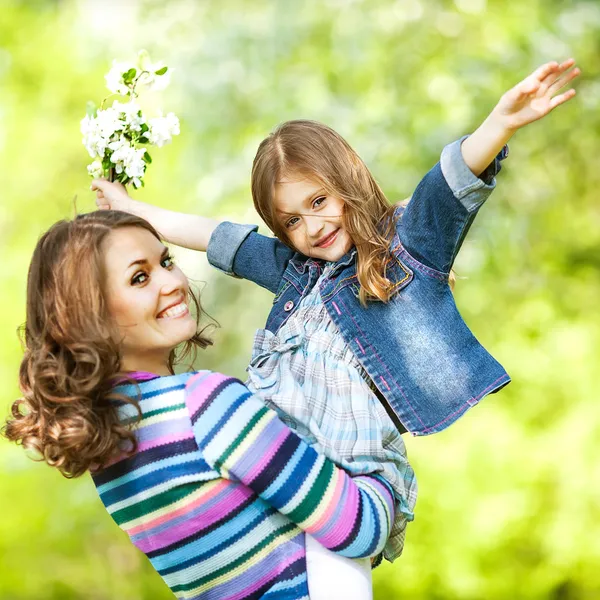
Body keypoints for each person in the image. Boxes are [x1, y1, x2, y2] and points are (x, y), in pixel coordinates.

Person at [91, 59, 580, 593]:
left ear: (346, 183)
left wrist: (500, 125)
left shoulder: (405, 251)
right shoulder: (296, 275)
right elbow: (219, 238)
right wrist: (131, 211)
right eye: (291, 221)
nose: (312, 227)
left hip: (352, 484)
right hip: (289, 480)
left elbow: (445, 188)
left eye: (319, 201)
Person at [3, 210, 400, 600]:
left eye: (166, 261)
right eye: (139, 277)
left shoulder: (107, 447)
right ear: (92, 317)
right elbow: (359, 528)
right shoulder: (203, 406)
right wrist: (378, 461)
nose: (173, 282)